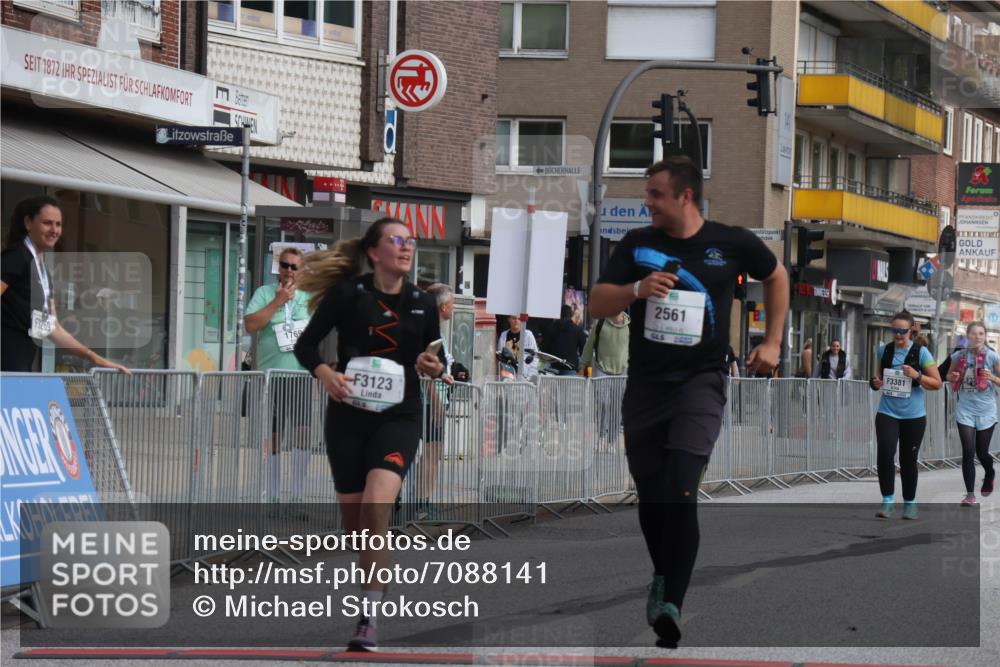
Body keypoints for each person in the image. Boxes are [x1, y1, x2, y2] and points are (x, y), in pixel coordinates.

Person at [588, 156, 788, 648]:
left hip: (702, 379)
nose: (647, 202)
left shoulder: (730, 242)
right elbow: (595, 303)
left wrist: (773, 341)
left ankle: (671, 599)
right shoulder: (638, 245)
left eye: (655, 194)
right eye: (647, 193)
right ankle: (663, 576)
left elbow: (777, 275)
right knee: (652, 491)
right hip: (647, 386)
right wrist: (636, 289)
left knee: (681, 486)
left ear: (685, 196)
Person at [293, 217, 444, 651]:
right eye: (396, 241)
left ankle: (369, 618)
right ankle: (369, 588)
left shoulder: (422, 302)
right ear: (375, 252)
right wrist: (325, 373)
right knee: (356, 527)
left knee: (378, 505)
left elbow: (436, 356)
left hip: (400, 416)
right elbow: (306, 346)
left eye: (410, 241)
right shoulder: (348, 294)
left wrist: (434, 366)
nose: (406, 247)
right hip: (347, 417)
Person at [1, 196, 129, 374]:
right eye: (47, 223)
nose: (54, 230)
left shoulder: (42, 269)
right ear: (28, 223)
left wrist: (97, 359)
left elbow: (54, 329)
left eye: (58, 224)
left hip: (20, 367)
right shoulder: (16, 257)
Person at [245, 247, 313, 505]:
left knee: (303, 433)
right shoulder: (263, 293)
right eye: (285, 265)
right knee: (272, 434)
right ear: (278, 267)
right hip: (270, 376)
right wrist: (277, 302)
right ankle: (272, 494)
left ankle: (297, 493)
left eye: (295, 267)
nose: (289, 270)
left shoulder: (309, 297)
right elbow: (251, 325)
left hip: (301, 375)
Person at [869, 311, 942, 520]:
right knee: (885, 452)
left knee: (908, 460)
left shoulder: (921, 353)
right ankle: (887, 501)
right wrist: (875, 382)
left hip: (913, 416)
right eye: (895, 330)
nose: (898, 335)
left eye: (902, 331)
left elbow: (937, 383)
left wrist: (917, 375)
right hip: (887, 412)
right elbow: (879, 377)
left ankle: (910, 503)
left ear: (910, 331)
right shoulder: (883, 350)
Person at [945, 321, 999, 506]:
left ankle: (990, 473)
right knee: (968, 452)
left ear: (985, 336)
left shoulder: (992, 357)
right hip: (965, 409)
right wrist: (951, 377)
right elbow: (948, 376)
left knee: (981, 452)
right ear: (967, 336)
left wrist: (992, 377)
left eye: (981, 334)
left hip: (986, 410)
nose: (977, 337)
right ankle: (970, 495)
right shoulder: (959, 356)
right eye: (974, 333)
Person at [416, 282, 457, 519]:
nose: (453, 307)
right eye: (451, 303)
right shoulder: (429, 330)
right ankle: (422, 502)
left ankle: (422, 500)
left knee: (433, 452)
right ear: (442, 307)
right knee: (432, 452)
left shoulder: (434, 329)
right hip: (430, 401)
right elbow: (426, 368)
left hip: (435, 399)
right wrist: (436, 401)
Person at [580, 311, 630, 450]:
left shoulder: (629, 326)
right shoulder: (600, 323)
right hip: (601, 368)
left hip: (621, 372)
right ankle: (601, 436)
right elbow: (589, 345)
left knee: (616, 407)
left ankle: (612, 441)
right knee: (603, 402)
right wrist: (583, 364)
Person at [542, 305, 587, 374]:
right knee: (568, 385)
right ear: (571, 315)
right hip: (570, 368)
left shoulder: (551, 328)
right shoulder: (577, 330)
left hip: (552, 368)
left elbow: (544, 349)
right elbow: (584, 350)